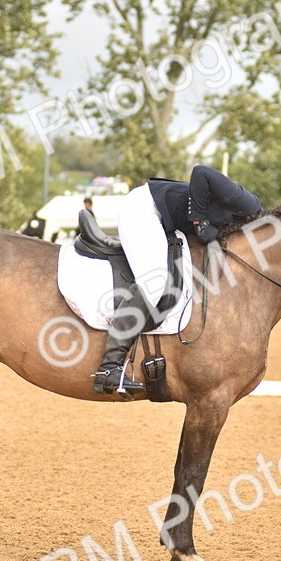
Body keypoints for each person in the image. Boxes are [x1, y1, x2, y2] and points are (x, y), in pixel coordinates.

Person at [92, 165, 262, 395]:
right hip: (144, 209)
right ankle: (109, 368)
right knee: (155, 282)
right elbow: (200, 172)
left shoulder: (250, 232)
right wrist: (200, 222)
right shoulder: (247, 205)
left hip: (164, 220)